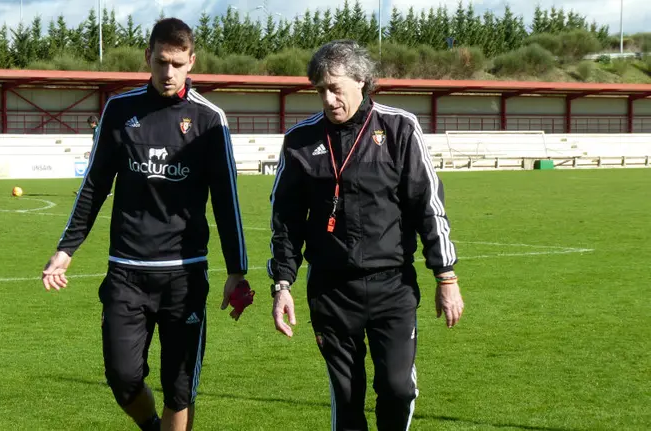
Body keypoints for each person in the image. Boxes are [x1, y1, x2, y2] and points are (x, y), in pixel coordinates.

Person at [42, 17, 250, 431]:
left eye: (177, 63)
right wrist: (66, 250)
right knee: (122, 377)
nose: (168, 72)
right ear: (147, 58)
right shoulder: (120, 110)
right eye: (160, 62)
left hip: (184, 276)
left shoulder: (210, 120)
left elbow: (227, 202)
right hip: (127, 273)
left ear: (192, 61)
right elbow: (94, 186)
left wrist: (236, 271)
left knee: (180, 388)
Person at [267, 40, 465, 431]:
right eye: (320, 89)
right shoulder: (300, 141)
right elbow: (285, 220)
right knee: (346, 398)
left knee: (396, 389)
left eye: (335, 87)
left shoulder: (399, 128)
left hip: (391, 286)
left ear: (361, 81)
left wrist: (446, 276)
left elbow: (429, 205)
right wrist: (282, 284)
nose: (328, 98)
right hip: (330, 291)